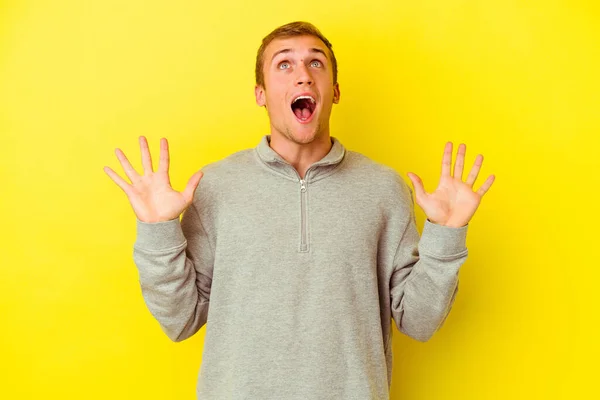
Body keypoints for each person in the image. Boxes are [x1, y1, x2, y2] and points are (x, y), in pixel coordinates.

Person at [103, 21, 495, 400]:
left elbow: (420, 322)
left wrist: (445, 236)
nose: (303, 75)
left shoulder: (382, 189)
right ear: (260, 93)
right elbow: (180, 320)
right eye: (284, 64)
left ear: (335, 90)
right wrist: (157, 230)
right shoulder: (216, 188)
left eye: (316, 63)